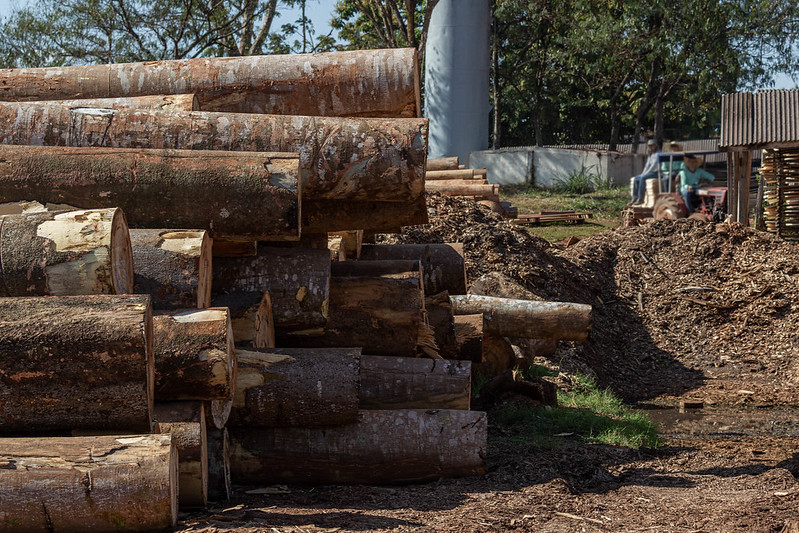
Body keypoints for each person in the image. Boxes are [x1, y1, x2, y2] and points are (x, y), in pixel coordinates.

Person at [631, 140, 661, 205]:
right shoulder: (651, 155)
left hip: (657, 173)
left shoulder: (658, 154)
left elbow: (653, 166)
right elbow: (647, 166)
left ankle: (641, 198)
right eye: (649, 146)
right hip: (650, 172)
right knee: (637, 178)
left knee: (642, 178)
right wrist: (643, 173)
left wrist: (645, 174)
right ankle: (634, 198)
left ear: (655, 146)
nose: (650, 147)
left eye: (651, 146)